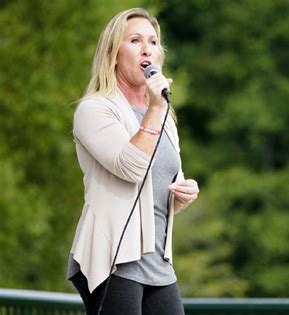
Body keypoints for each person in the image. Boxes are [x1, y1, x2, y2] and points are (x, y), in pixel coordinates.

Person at [66, 8, 199, 315]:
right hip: (114, 258)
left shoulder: (165, 116)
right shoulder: (94, 110)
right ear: (113, 53)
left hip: (158, 263)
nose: (147, 49)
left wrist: (182, 194)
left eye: (153, 42)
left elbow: (155, 189)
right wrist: (154, 108)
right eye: (136, 41)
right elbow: (131, 167)